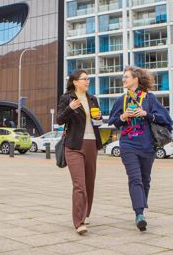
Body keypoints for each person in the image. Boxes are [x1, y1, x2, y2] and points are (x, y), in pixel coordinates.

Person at [108, 66, 173, 231]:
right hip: (128, 144)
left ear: (136, 79)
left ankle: (140, 210)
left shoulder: (150, 99)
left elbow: (166, 120)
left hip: (147, 145)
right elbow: (112, 121)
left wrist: (146, 114)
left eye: (126, 77)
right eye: (123, 77)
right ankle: (139, 214)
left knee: (145, 180)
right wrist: (123, 117)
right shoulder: (122, 100)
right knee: (135, 179)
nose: (123, 80)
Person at [56, 69, 103, 235]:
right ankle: (79, 222)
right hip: (74, 145)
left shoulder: (92, 99)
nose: (87, 81)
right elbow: (59, 120)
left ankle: (86, 212)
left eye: (88, 79)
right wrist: (70, 108)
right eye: (84, 79)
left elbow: (97, 123)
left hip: (92, 143)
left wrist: (99, 120)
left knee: (90, 183)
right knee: (79, 184)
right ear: (75, 81)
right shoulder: (67, 98)